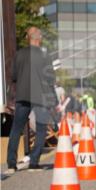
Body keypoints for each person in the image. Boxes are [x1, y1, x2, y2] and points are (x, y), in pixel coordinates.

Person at [5, 27, 57, 173]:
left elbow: (14, 77)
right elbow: (50, 78)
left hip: (22, 95)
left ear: (28, 38)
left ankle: (11, 164)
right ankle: (34, 163)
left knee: (16, 129)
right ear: (39, 38)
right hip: (40, 96)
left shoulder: (19, 55)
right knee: (41, 130)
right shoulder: (45, 56)